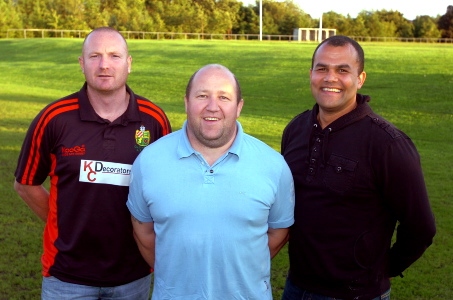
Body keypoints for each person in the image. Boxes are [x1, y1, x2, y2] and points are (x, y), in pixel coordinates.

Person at [13, 27, 171, 299]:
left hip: (132, 275)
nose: (104, 64)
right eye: (95, 56)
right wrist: (61, 222)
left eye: (114, 55)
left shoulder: (154, 120)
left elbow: (167, 188)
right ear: (81, 63)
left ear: (129, 63)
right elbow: (26, 184)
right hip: (67, 276)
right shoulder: (54, 118)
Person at [280, 35, 436, 300]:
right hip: (296, 287)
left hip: (356, 294)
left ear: (360, 78)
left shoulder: (387, 144)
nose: (330, 78)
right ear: (311, 74)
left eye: (343, 70)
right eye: (322, 69)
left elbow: (421, 227)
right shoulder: (295, 130)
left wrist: (382, 269)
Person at [126, 63, 295, 299]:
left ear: (239, 107)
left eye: (224, 97)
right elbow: (143, 233)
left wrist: (242, 267)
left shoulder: (273, 166)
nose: (212, 107)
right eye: (202, 95)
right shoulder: (149, 161)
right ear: (186, 102)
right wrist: (178, 272)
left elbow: (279, 233)